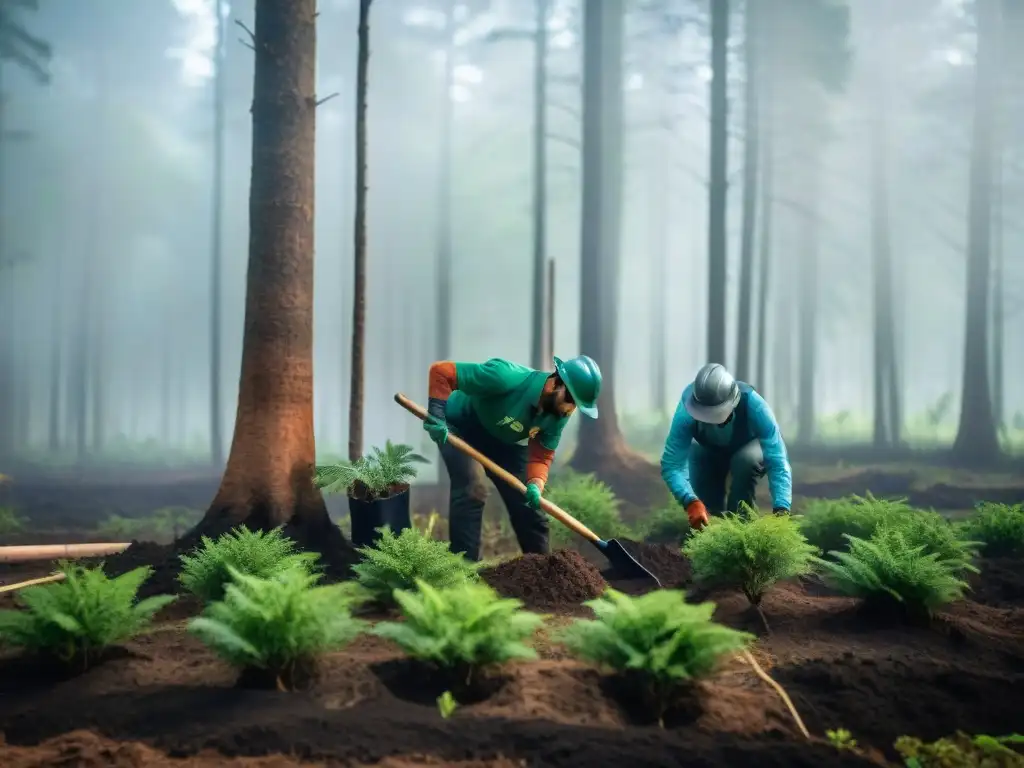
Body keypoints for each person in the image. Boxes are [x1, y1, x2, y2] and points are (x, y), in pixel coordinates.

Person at [422, 355, 602, 561]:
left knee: (529, 503)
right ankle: (464, 572)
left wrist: (536, 483)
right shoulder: (505, 377)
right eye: (570, 400)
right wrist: (436, 413)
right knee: (473, 489)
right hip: (459, 425)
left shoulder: (558, 415)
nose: (570, 409)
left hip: (502, 439)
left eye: (576, 405)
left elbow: (541, 455)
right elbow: (442, 372)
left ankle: (545, 573)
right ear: (555, 383)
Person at [660, 363, 792, 530]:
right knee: (696, 456)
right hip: (711, 451)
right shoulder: (686, 411)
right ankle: (709, 532)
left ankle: (742, 530)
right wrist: (690, 501)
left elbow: (778, 459)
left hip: (750, 448)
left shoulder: (754, 404)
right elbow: (672, 464)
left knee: (745, 461)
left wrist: (781, 509)